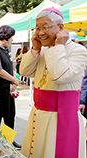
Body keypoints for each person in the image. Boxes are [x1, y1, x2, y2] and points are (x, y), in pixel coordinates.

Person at [20, 8, 87, 158]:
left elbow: (59, 76)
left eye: (45, 27)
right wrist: (36, 49)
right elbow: (24, 71)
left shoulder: (78, 50)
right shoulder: (43, 50)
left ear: (61, 28)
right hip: (38, 114)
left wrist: (59, 46)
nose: (41, 32)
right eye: (38, 28)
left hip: (60, 118)